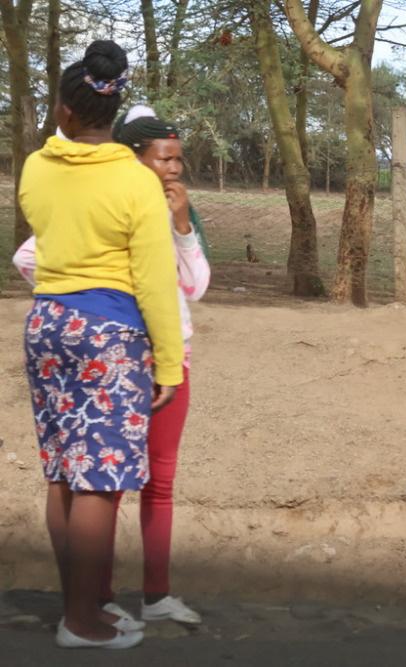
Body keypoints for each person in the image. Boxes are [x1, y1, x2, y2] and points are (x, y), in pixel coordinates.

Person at [13, 105, 210, 626]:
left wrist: (182, 226)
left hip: (172, 359)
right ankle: (96, 601)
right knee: (104, 482)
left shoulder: (177, 212)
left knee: (158, 482)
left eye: (178, 159)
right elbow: (28, 257)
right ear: (133, 158)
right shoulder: (103, 200)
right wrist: (95, 300)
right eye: (164, 158)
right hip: (119, 355)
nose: (174, 169)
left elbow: (195, 287)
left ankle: (156, 595)